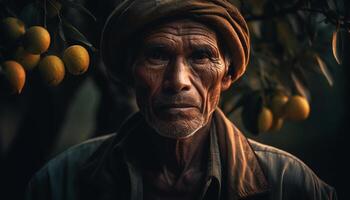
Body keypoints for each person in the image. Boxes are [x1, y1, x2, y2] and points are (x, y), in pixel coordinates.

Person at [26, 0, 337, 199]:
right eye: (158, 55)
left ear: (227, 75)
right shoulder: (59, 184)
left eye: (201, 56)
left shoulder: (291, 185)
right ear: (130, 71)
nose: (178, 81)